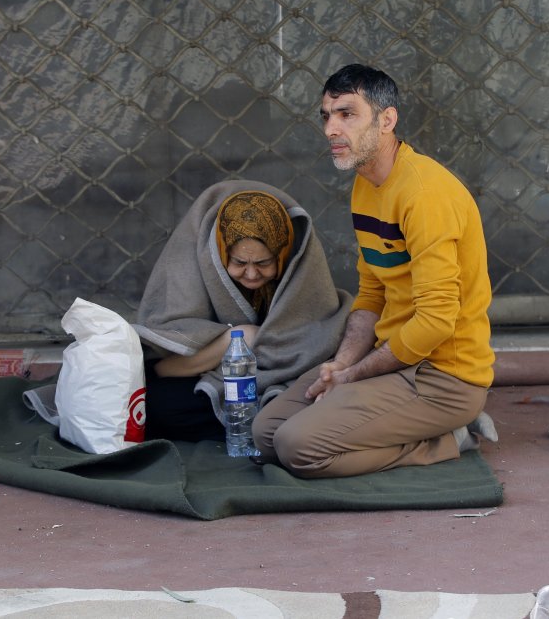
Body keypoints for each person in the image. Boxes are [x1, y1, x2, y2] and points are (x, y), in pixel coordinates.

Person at [251, 64, 497, 478]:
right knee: (265, 434)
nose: (331, 128)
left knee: (298, 449)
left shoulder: (424, 194)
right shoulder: (366, 184)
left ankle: (446, 439)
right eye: (326, 116)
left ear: (387, 120)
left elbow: (436, 322)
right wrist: (340, 366)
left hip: (442, 380)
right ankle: (387, 418)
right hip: (392, 363)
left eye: (347, 114)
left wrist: (355, 375)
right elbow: (372, 294)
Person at [134, 181, 351, 442]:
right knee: (158, 403)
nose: (250, 274)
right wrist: (235, 339)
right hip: (211, 378)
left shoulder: (301, 278)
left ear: (281, 255)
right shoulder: (195, 268)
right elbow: (163, 367)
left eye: (264, 263)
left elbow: (309, 346)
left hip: (276, 381)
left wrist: (254, 347)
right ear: (220, 253)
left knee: (316, 400)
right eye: (238, 262)